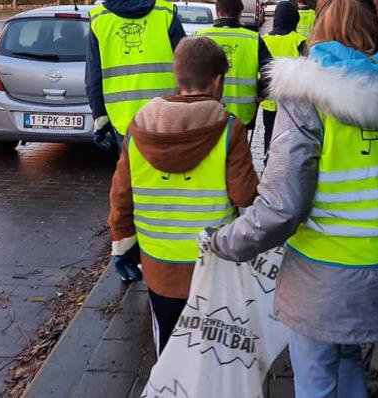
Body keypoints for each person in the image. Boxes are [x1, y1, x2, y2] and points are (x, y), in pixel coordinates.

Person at [201, 0, 378, 396]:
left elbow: (282, 208)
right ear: (375, 27)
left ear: (320, 29)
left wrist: (224, 241)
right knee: (349, 356)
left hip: (321, 283)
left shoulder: (305, 98)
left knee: (316, 380)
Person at [108, 36, 259, 355]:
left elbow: (121, 195)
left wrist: (122, 245)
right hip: (211, 265)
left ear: (178, 77)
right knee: (210, 348)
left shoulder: (139, 128)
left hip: (158, 264)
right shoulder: (229, 129)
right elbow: (245, 195)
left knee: (167, 349)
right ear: (218, 81)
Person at [85, 0, 186, 154]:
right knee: (168, 173)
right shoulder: (165, 12)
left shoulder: (100, 18)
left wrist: (100, 115)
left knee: (132, 174)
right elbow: (186, 64)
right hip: (166, 114)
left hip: (123, 118)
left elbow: (94, 74)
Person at [196, 0, 272, 131]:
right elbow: (271, 71)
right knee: (238, 149)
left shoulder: (201, 37)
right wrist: (260, 94)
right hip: (243, 114)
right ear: (239, 13)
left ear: (218, 12)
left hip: (207, 112)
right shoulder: (253, 39)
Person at [259, 1, 306, 154]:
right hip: (291, 102)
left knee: (269, 133)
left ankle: (267, 162)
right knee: (289, 138)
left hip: (269, 100)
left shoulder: (264, 39)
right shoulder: (299, 41)